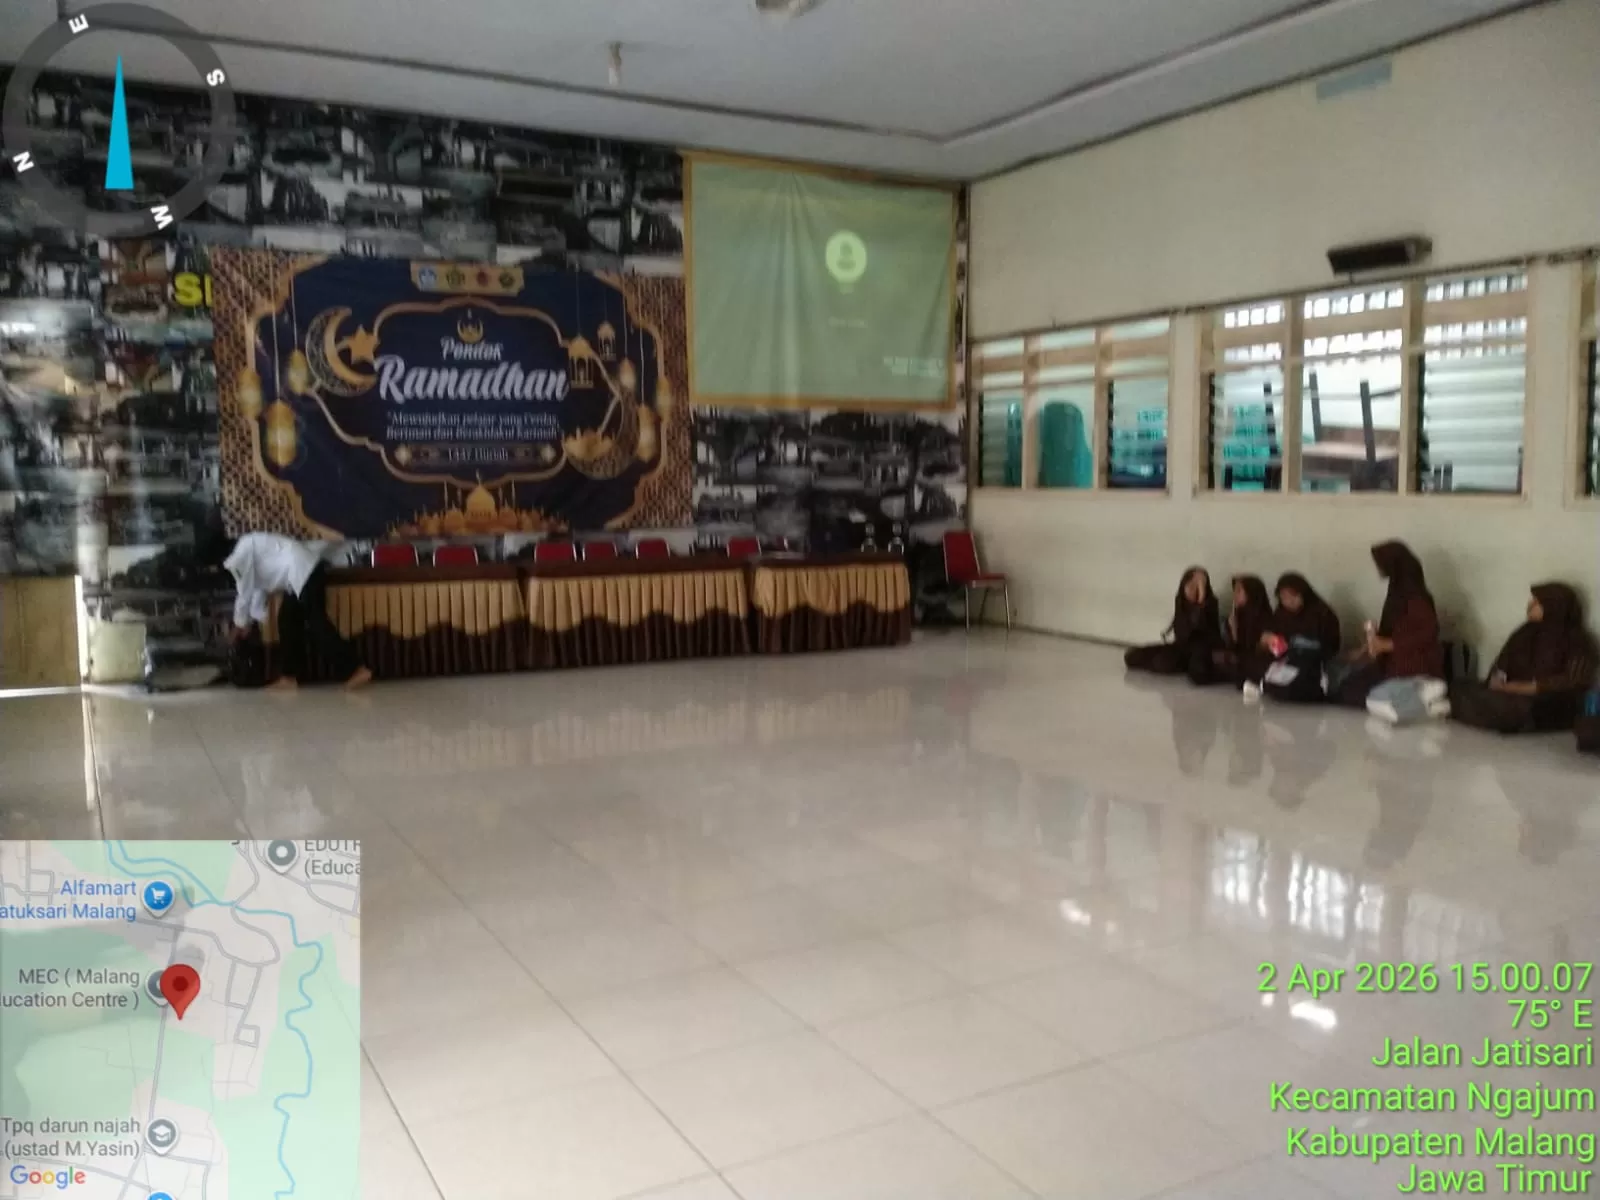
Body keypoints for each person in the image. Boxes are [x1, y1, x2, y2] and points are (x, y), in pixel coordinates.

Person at [224, 533, 372, 690]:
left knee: (316, 623)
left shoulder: (243, 549)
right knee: (287, 621)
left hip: (304, 571)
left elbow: (244, 590)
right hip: (299, 576)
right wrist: (247, 622)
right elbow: (256, 591)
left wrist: (239, 624)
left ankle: (356, 669)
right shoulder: (249, 549)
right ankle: (289, 677)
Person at [1451, 583, 1595, 734]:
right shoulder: (1525, 632)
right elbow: (1502, 663)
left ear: (1554, 606)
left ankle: (1483, 714)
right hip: (1510, 693)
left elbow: (1572, 681)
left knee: (1523, 707)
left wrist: (1523, 688)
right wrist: (1497, 681)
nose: (1530, 605)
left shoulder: (1577, 640)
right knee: (1460, 687)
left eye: (1537, 602)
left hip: (1546, 700)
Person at [1333, 541, 1444, 710]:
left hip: (1413, 667)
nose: (1378, 568)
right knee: (1346, 687)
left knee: (1356, 694)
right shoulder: (1397, 592)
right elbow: (1392, 630)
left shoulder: (1417, 597)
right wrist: (1369, 643)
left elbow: (1428, 633)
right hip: (1390, 663)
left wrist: (1388, 645)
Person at [1124, 567, 1225, 685]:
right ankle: (1182, 664)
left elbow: (1200, 625)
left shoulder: (1210, 603)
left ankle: (1186, 665)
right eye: (1191, 586)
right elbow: (1181, 631)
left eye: (1198, 587)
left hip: (1200, 650)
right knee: (1131, 656)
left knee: (1169, 664)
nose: (1193, 590)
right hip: (1181, 646)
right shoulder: (1180, 600)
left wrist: (1201, 598)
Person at [1256, 573, 1342, 704]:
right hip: (1286, 659)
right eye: (1284, 598)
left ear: (1304, 594)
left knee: (1298, 680)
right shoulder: (1281, 613)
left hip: (1313, 661)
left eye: (1293, 596)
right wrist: (1268, 641)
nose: (1289, 601)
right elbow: (1273, 638)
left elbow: (1331, 646)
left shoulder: (1322, 613)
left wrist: (1298, 644)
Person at [1220, 574, 1272, 688]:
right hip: (1239, 658)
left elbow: (1257, 650)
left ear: (1251, 593)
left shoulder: (1264, 617)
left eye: (1239, 591)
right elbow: (1233, 647)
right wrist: (1233, 630)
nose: (1235, 595)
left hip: (1255, 660)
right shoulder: (1237, 614)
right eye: (1235, 591)